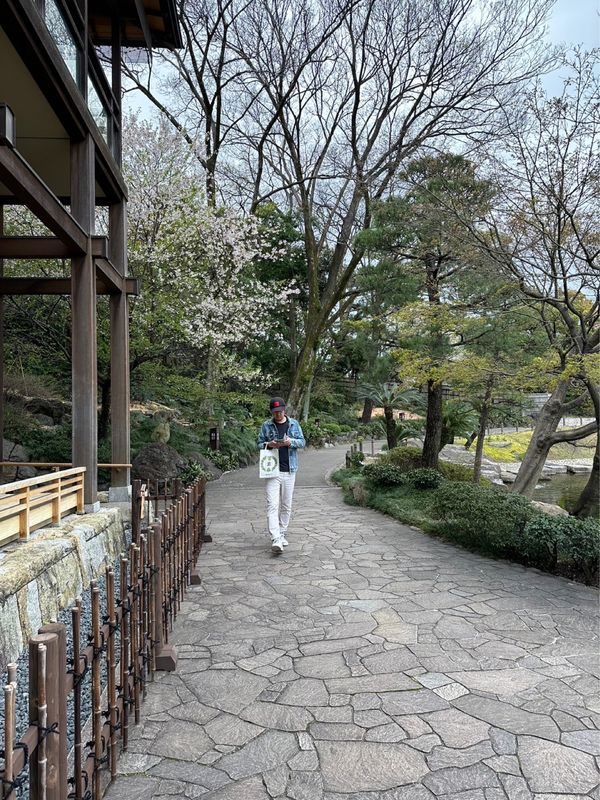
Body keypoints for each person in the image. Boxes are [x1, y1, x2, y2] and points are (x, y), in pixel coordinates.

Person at [257, 397, 305, 554]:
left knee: (286, 505)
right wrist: (269, 444)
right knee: (272, 504)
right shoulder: (266, 425)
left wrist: (290, 442)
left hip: (290, 469)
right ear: (271, 412)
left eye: (280, 411)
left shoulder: (294, 424)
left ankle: (282, 532)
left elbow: (303, 442)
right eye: (275, 412)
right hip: (272, 470)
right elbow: (259, 443)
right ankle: (276, 538)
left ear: (285, 410)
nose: (278, 414)